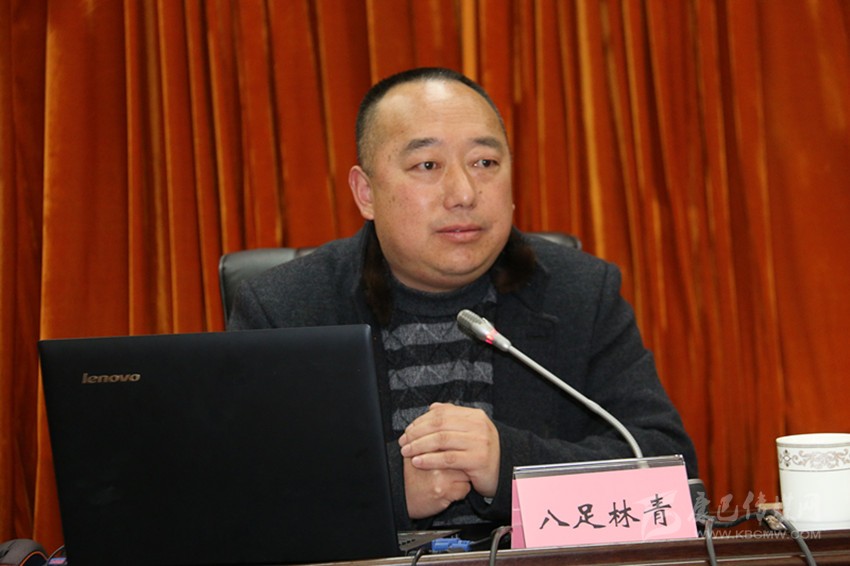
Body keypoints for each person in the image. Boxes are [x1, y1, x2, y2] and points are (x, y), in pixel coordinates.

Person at [228, 67, 698, 529]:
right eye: (427, 166)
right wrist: (389, 488)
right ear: (366, 193)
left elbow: (668, 476)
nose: (464, 193)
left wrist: (507, 466)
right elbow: (236, 499)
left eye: (484, 163)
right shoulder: (285, 309)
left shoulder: (580, 293)